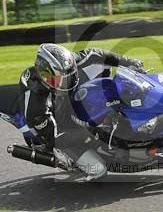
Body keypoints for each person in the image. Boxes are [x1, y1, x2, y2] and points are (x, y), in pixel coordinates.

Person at [18, 43, 144, 180]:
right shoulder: (36, 104)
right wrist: (89, 135)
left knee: (100, 75)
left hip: (68, 98)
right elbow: (55, 138)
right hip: (53, 126)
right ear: (45, 77)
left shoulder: (67, 64)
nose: (66, 83)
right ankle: (72, 160)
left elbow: (97, 54)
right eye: (60, 81)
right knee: (99, 170)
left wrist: (129, 62)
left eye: (69, 77)